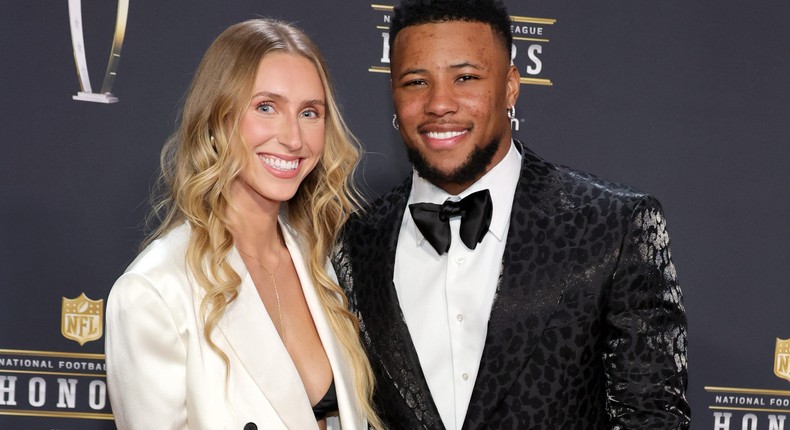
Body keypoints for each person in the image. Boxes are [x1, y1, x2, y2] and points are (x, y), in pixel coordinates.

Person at [332, 0, 691, 428]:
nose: (439, 103)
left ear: (510, 87)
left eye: (465, 77)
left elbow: (652, 418)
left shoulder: (614, 226)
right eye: (415, 82)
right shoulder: (353, 242)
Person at [105, 19, 382, 430]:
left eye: (309, 112)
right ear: (217, 119)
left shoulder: (326, 268)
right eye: (266, 107)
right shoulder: (154, 292)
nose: (293, 138)